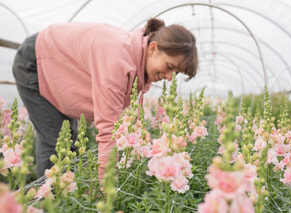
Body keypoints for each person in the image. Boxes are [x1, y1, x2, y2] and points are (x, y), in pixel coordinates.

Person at [12, 18, 198, 181]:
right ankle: (49, 205)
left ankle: (62, 200)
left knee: (69, 144)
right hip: (36, 60)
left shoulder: (137, 62)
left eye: (176, 72)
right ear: (153, 48)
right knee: (58, 144)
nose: (170, 77)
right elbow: (109, 128)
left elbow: (121, 117)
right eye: (169, 66)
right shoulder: (118, 57)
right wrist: (105, 185)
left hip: (54, 64)